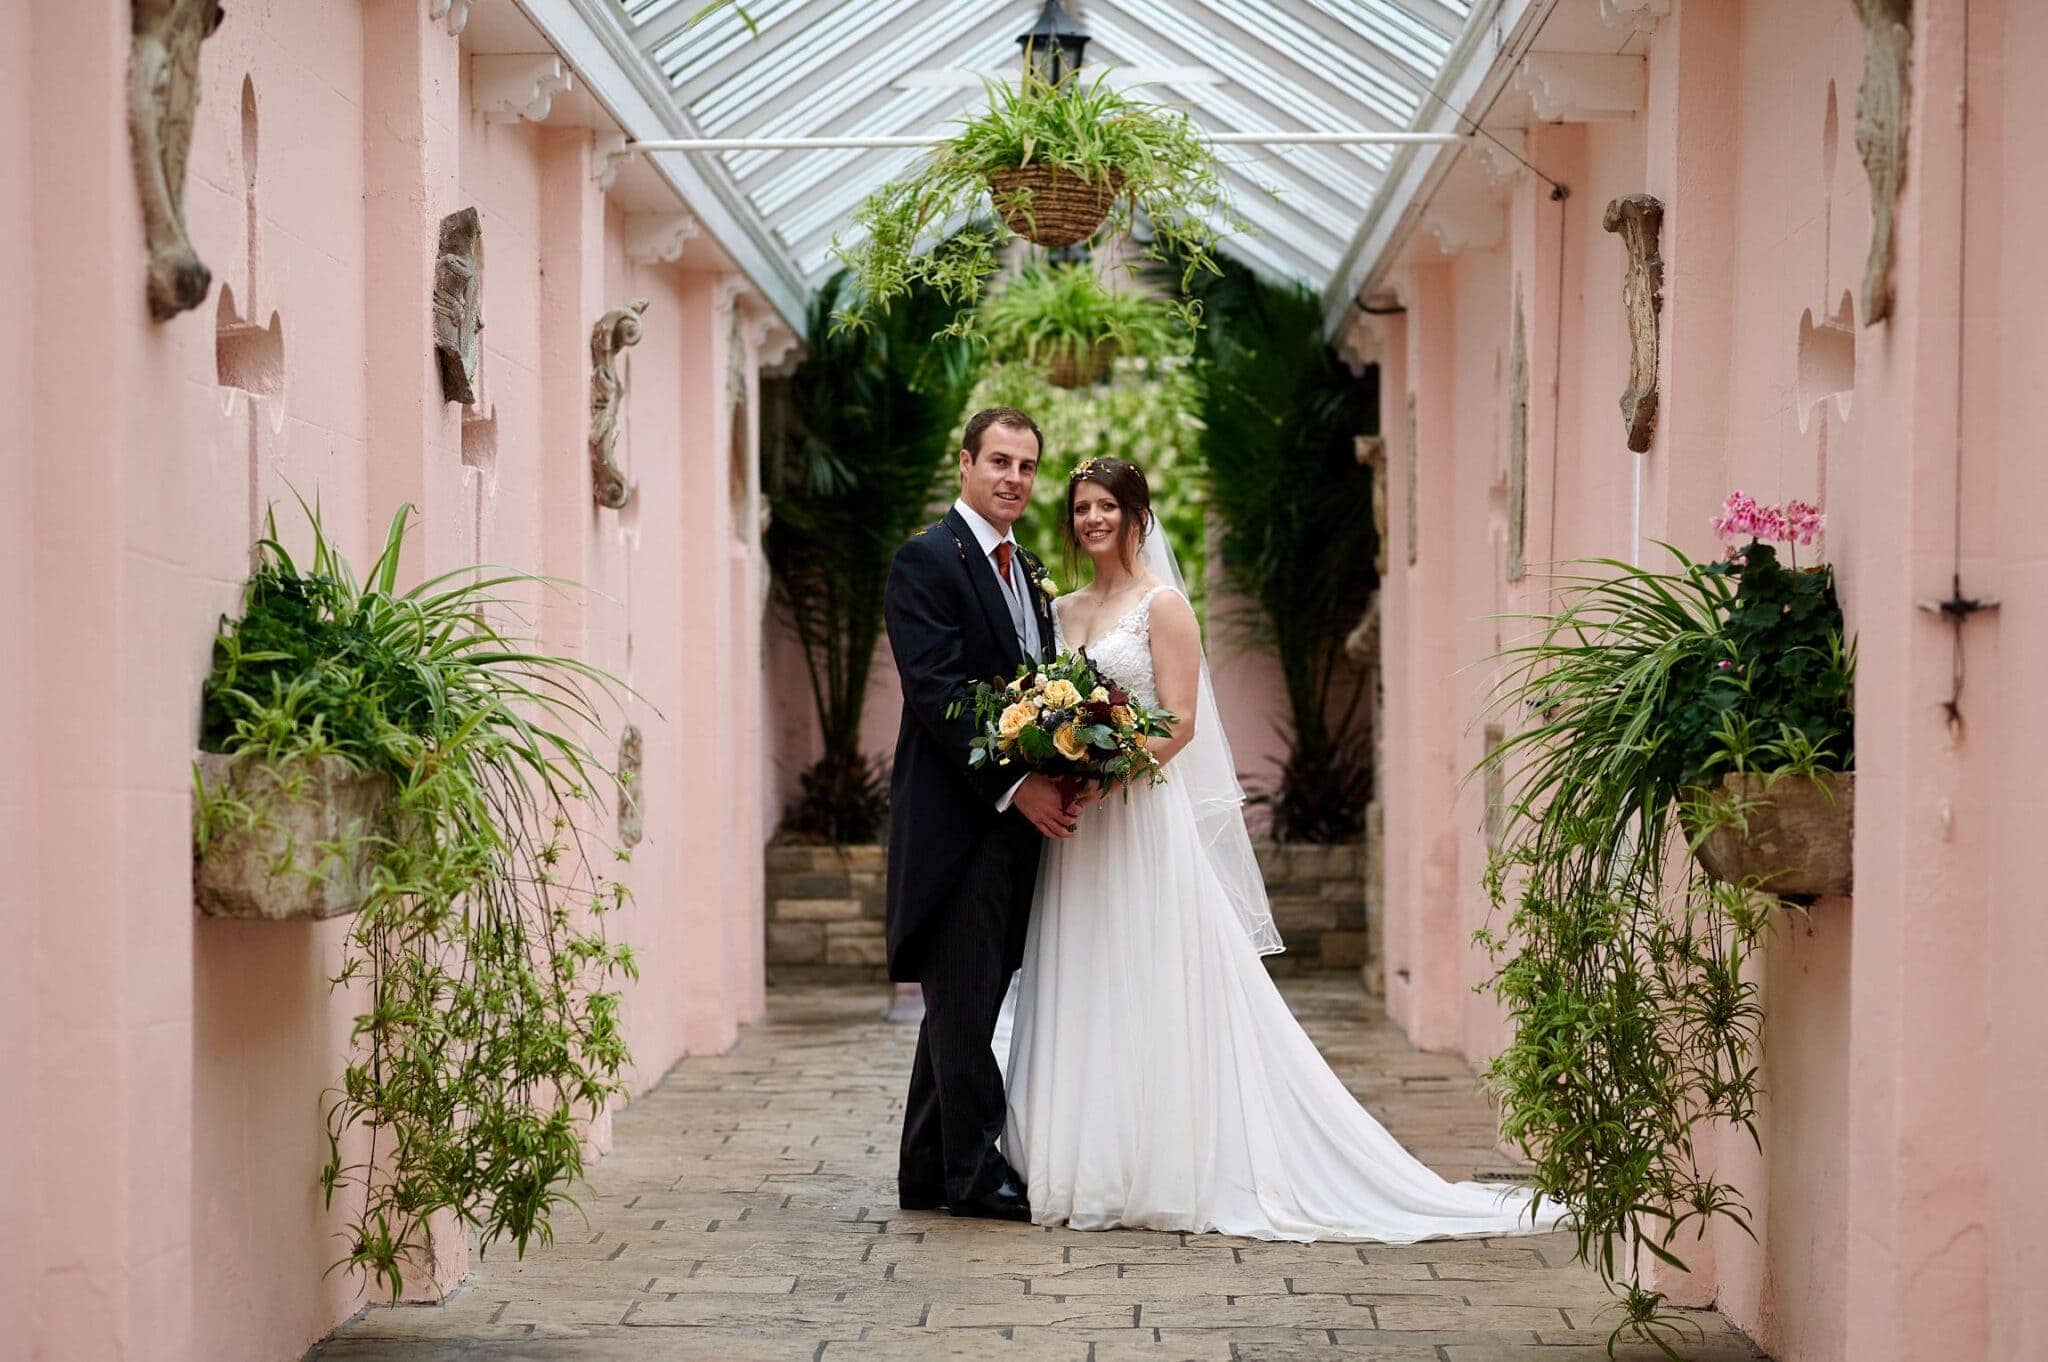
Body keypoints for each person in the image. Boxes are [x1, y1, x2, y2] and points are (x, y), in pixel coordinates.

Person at [1003, 456, 1564, 1244]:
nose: (1092, 519)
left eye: (1107, 507)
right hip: (1077, 832)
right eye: (1082, 508)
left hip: (1135, 821)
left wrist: (1110, 772)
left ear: (1137, 516)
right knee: (1084, 972)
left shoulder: (1163, 608)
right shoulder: (1058, 611)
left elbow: (1182, 722)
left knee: (1151, 976)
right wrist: (1059, 759)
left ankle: (1163, 1162)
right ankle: (1082, 1159)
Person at [882, 406, 1079, 1221]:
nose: (1013, 479)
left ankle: (926, 1170)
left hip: (1014, 828)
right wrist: (1013, 786)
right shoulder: (927, 560)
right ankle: (974, 1174)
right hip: (961, 820)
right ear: (965, 463)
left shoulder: (1026, 567)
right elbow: (938, 692)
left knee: (966, 1001)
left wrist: (1073, 757)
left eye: (1027, 467)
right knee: (963, 1000)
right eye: (998, 461)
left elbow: (1037, 682)